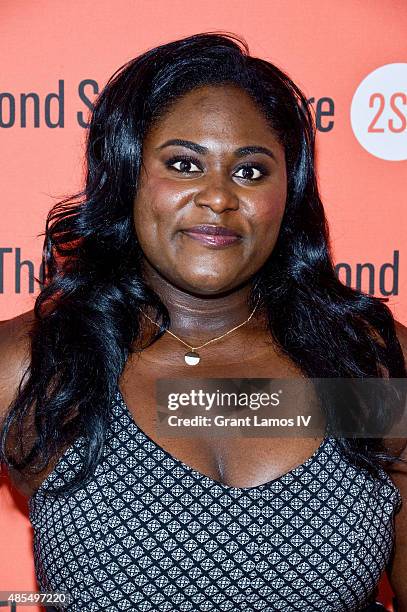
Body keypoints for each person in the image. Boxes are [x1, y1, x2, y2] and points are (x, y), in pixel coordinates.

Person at [1, 31, 406, 612]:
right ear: (128, 175)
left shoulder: (366, 363)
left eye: (250, 172)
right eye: (184, 164)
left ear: (286, 196)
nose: (218, 197)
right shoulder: (37, 363)